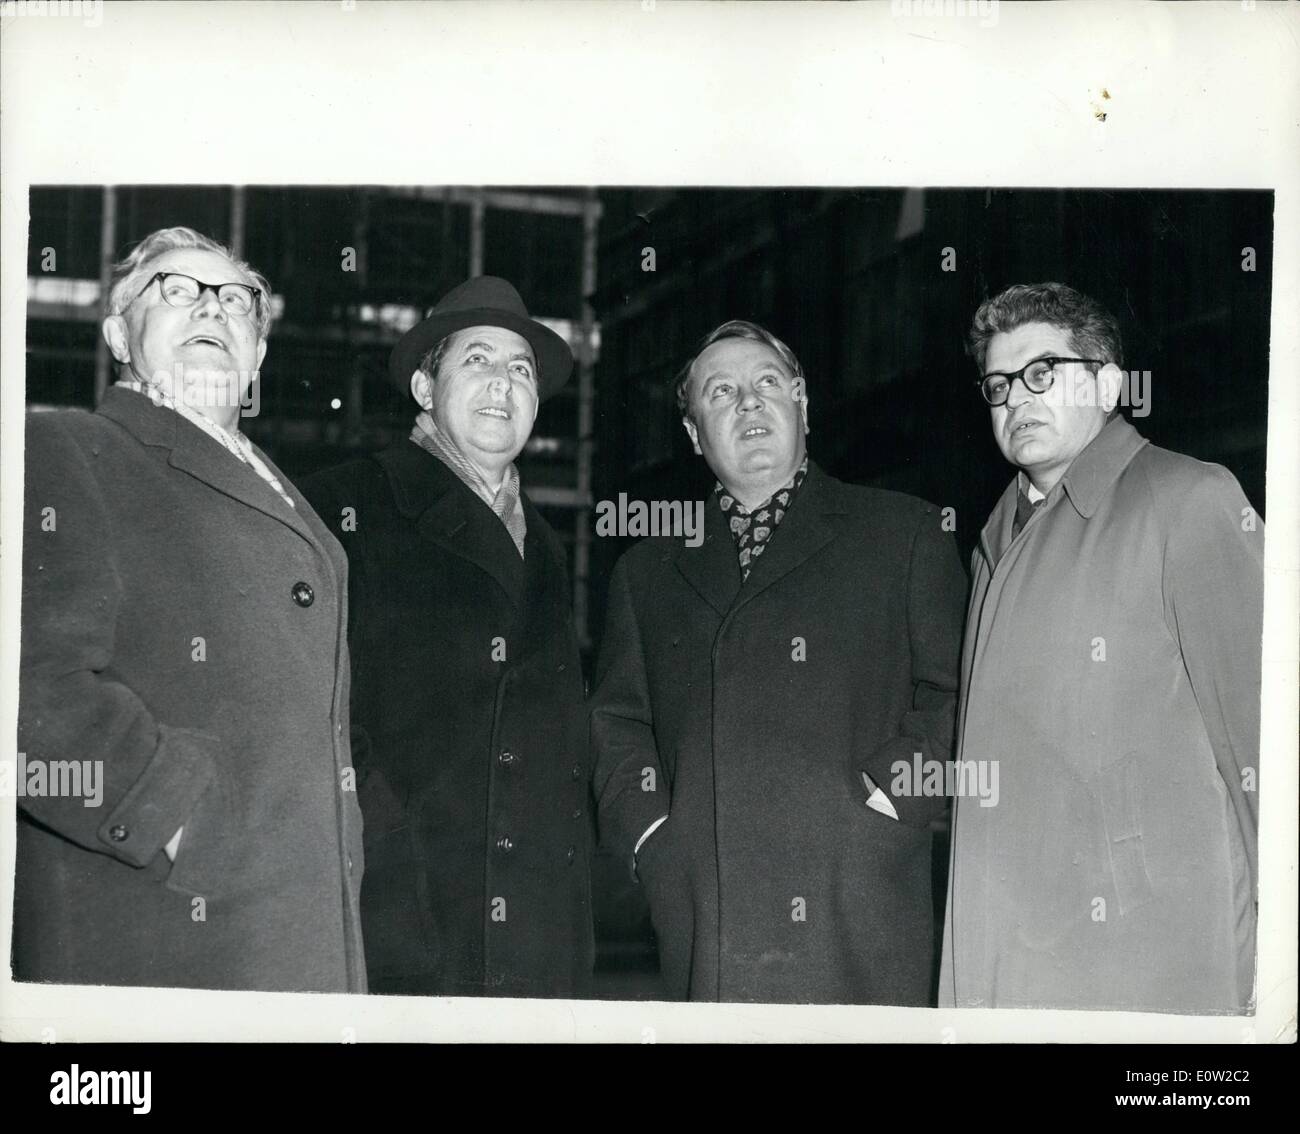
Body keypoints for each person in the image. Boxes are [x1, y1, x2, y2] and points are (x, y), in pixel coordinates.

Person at [15, 226, 366, 992]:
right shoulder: (64, 448)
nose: (212, 308)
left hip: (290, 932)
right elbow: (28, 686)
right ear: (118, 333)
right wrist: (176, 819)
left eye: (236, 300)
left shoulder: (285, 495)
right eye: (177, 290)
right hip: (158, 939)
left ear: (259, 356)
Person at [589, 319, 967, 1003]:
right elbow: (617, 724)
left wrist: (887, 804)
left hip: (855, 908)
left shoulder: (904, 534)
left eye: (768, 383)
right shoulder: (645, 572)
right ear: (695, 434)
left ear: (803, 406)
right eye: (721, 392)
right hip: (709, 918)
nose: (749, 403)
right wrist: (652, 835)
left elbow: (958, 698)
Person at [939, 282, 1262, 1013]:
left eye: (1042, 373)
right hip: (1007, 953)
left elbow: (1266, 755)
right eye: (998, 385)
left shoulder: (1190, 500)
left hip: (1147, 960)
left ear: (1110, 383)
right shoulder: (993, 546)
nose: (1016, 398)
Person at [302, 276, 594, 998]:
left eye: (521, 369)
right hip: (402, 924)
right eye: (479, 360)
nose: (504, 384)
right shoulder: (347, 506)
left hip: (534, 940)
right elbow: (304, 708)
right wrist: (386, 847)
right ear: (425, 390)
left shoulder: (548, 548)